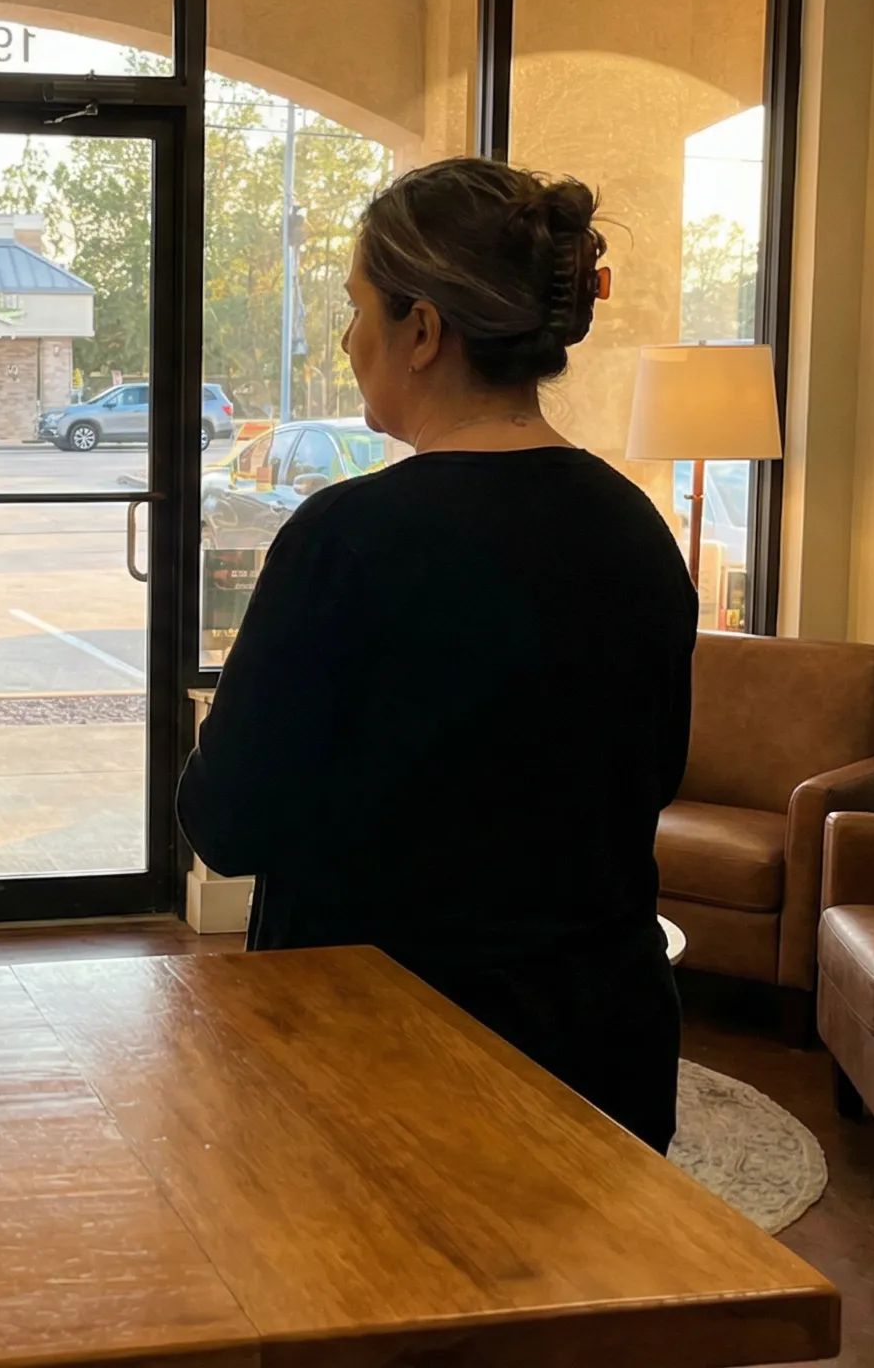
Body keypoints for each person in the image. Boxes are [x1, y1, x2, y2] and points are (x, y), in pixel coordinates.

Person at [177, 159, 696, 1152]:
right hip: (599, 1039)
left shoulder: (347, 535)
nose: (346, 337)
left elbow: (227, 823)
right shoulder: (633, 527)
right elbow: (650, 777)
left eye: (357, 306)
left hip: (380, 1043)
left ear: (422, 331)